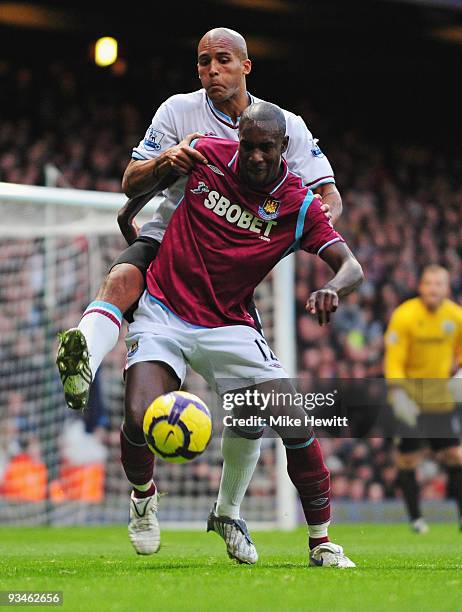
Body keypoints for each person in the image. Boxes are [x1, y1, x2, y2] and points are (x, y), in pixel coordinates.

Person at [121, 102, 363, 566]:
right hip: (164, 311)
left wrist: (333, 288)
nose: (253, 157)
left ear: (282, 148)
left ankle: (319, 542)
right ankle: (143, 497)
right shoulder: (206, 154)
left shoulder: (298, 205)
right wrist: (128, 214)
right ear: (238, 140)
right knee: (138, 417)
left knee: (293, 420)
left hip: (229, 324)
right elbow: (144, 182)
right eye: (247, 146)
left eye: (264, 149)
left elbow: (351, 266)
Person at [56, 26, 341, 411]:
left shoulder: (285, 126)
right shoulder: (178, 110)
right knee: (121, 278)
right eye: (204, 62)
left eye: (223, 61)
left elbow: (329, 198)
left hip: (232, 258)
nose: (212, 70)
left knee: (251, 413)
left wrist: (289, 237)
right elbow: (130, 181)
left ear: (246, 66)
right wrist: (165, 159)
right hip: (174, 233)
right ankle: (82, 358)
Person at [384, 265, 462, 533]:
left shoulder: (456, 316)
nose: (433, 289)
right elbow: (394, 362)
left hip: (441, 399)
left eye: (439, 284)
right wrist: (398, 393)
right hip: (410, 400)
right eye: (428, 283)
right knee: (408, 459)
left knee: (455, 455)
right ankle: (416, 519)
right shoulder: (405, 316)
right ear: (421, 286)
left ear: (446, 288)